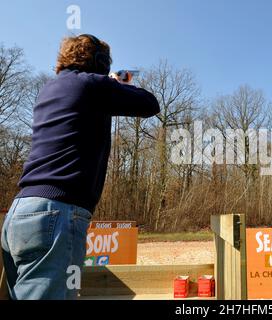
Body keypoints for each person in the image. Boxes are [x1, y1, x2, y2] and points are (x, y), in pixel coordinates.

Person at [0, 34, 160, 300]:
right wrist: (114, 83)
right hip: (57, 214)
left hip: (20, 214)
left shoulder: (48, 90)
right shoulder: (91, 85)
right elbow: (149, 104)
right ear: (99, 62)